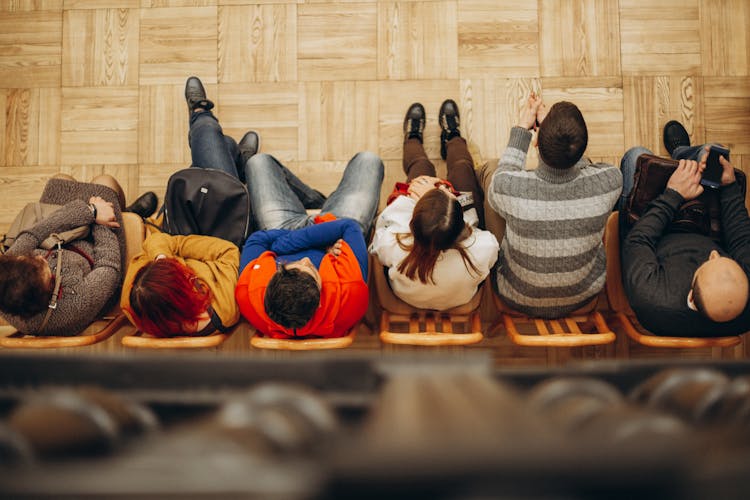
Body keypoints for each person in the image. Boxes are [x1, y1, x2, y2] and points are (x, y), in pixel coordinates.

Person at [478, 93, 623, 318]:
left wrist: (522, 130)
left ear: (535, 144)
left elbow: (502, 177)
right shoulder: (611, 181)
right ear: (582, 149)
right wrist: (561, 143)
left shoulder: (509, 187)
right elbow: (589, 167)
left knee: (492, 170)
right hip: (583, 294)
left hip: (515, 294)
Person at [121, 76, 242, 337]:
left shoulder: (135, 299)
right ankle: (201, 115)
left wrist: (164, 255)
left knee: (196, 179)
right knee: (211, 151)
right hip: (225, 232)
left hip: (181, 233)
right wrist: (174, 249)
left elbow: (149, 248)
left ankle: (231, 156)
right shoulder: (225, 306)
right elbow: (229, 252)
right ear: (188, 287)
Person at [235, 147, 384, 339]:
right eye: (313, 269)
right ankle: (324, 203)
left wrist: (289, 244)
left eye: (288, 266)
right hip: (334, 225)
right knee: (368, 160)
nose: (306, 259)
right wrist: (321, 239)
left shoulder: (250, 294)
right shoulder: (351, 292)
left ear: (272, 280)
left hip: (287, 230)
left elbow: (257, 239)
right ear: (320, 300)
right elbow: (349, 227)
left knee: (258, 162)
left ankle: (315, 200)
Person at [619, 120, 750, 337]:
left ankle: (683, 159)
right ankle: (681, 152)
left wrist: (674, 194)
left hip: (654, 235)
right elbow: (741, 241)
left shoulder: (652, 296)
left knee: (637, 155)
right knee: (715, 155)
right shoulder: (743, 303)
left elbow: (637, 240)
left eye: (709, 262)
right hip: (707, 226)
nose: (714, 254)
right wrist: (728, 186)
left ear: (690, 296)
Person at [369, 101, 499, 310]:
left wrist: (415, 197)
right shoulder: (483, 248)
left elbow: (379, 234)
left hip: (407, 298)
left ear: (413, 223)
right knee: (462, 169)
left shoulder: (392, 245)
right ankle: (452, 136)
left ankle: (412, 138)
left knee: (421, 168)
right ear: (461, 224)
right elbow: (486, 240)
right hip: (461, 299)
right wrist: (443, 195)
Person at [0, 175, 124, 336]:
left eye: (30, 258)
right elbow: (109, 265)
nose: (39, 257)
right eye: (43, 268)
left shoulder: (7, 278)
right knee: (105, 182)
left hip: (61, 238)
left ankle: (114, 208)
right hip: (99, 256)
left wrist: (91, 211)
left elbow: (32, 235)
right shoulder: (77, 303)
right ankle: (125, 210)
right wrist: (102, 221)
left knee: (60, 180)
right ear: (48, 291)